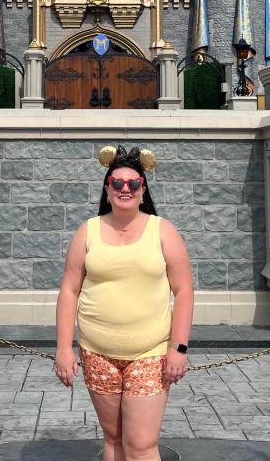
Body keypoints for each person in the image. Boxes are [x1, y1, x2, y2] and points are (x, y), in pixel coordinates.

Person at [54, 145, 194, 461]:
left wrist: (179, 347)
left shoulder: (163, 230)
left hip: (151, 352)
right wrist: (64, 348)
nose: (125, 189)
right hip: (97, 353)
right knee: (114, 439)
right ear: (107, 189)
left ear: (143, 190)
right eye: (117, 183)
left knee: (141, 445)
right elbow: (69, 291)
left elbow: (184, 291)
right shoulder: (86, 231)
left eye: (133, 183)